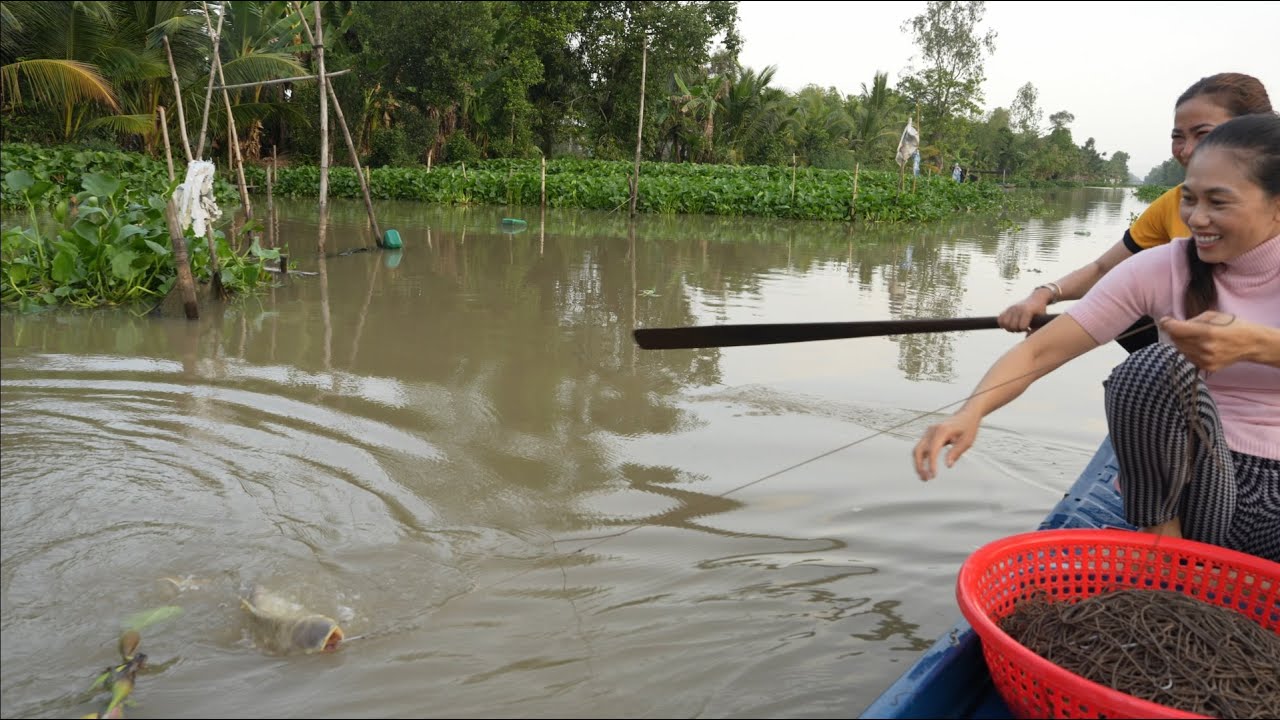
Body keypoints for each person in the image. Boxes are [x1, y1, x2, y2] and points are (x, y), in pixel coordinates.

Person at [913, 113, 1280, 562]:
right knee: (1148, 371)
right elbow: (1040, 352)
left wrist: (1258, 345)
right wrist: (970, 412)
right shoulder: (1166, 265)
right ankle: (1168, 560)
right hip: (1201, 491)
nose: (1197, 218)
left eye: (1218, 203)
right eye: (1189, 199)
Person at [998, 73, 1273, 353]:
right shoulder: (1173, 204)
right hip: (1191, 371)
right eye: (1179, 137)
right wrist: (1044, 294)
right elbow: (1104, 269)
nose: (1188, 150)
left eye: (1203, 134)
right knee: (1134, 362)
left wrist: (1258, 346)